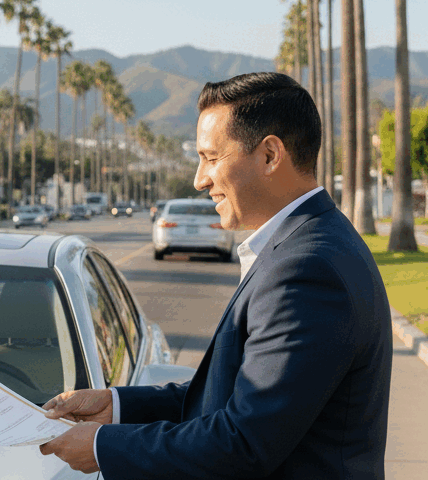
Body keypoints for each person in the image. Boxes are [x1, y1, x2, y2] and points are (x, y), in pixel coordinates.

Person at [39, 72, 392, 478]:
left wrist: (103, 447)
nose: (199, 179)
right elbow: (233, 397)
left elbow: (242, 442)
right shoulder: (310, 243)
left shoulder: (306, 270)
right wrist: (116, 406)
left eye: (211, 157)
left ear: (269, 156)